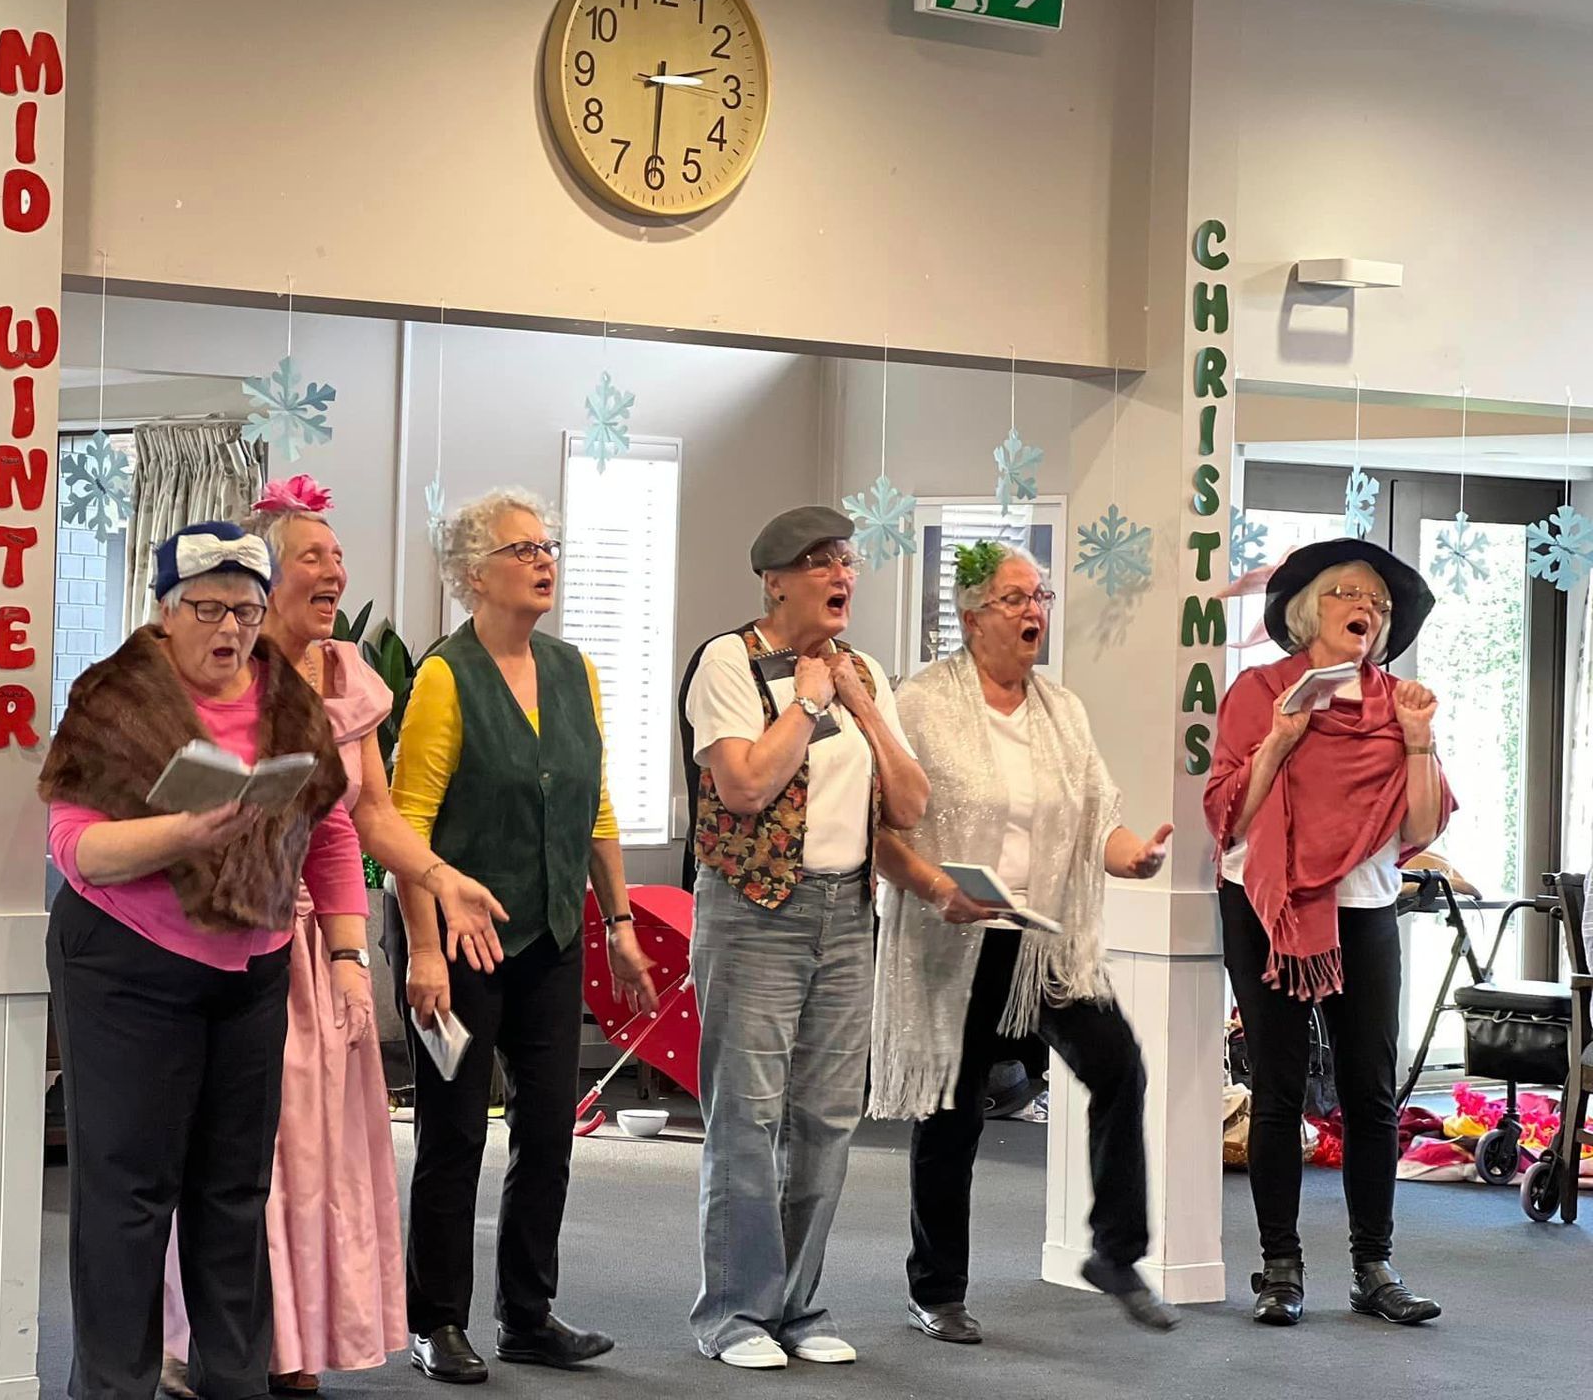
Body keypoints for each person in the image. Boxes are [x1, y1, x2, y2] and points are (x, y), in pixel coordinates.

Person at [157, 477, 509, 1396]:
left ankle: (295, 1340)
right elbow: (178, 806)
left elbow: (363, 819)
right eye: (313, 555)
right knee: (243, 1153)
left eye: (338, 557)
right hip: (222, 934)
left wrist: (424, 892)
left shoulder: (351, 676)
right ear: (262, 576)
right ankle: (205, 1340)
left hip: (318, 945)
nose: (335, 569)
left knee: (318, 1153)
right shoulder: (219, 674)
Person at [39, 520, 363, 1400]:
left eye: (248, 612)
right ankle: (111, 1389)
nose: (230, 630)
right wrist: (182, 832)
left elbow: (328, 828)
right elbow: (75, 849)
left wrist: (346, 951)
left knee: (233, 1193)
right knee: (130, 1197)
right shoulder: (114, 699)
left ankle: (234, 1384)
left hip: (250, 964)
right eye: (210, 609)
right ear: (165, 610)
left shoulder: (289, 699)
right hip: (125, 962)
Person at [870, 540, 1179, 1342]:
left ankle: (1115, 1252)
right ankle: (936, 1291)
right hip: (958, 935)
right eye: (1015, 599)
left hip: (1044, 939)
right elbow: (880, 828)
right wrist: (939, 889)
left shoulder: (1062, 710)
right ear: (972, 618)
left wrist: (1135, 858)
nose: (1034, 611)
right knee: (954, 1114)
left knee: (1118, 1067)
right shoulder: (924, 703)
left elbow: (1096, 822)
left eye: (1040, 596)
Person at [391, 487, 660, 1385]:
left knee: (549, 1131)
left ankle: (528, 1314)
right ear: (474, 574)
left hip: (549, 940)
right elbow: (409, 827)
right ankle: (436, 1320)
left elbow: (598, 806)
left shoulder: (573, 669)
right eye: (522, 548)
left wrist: (618, 921)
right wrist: (424, 951)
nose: (545, 559)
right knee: (454, 1132)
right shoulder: (442, 676)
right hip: (458, 947)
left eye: (549, 545)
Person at [680, 505, 929, 1369]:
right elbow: (745, 786)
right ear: (775, 580)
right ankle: (732, 1314)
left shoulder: (861, 672)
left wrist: (856, 697)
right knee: (745, 1118)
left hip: (847, 912)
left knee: (824, 1118)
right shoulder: (727, 661)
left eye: (847, 562)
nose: (841, 577)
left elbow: (910, 805)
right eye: (821, 563)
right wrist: (810, 706)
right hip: (754, 915)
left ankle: (795, 1306)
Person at [1204, 539, 1453, 1328]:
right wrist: (1281, 736)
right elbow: (1230, 815)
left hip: (1367, 904)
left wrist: (1419, 740)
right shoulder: (1260, 690)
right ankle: (1280, 1267)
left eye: (1378, 604)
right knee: (1279, 1092)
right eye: (1350, 594)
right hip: (1268, 906)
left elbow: (1418, 824)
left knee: (1371, 1095)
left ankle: (1373, 1267)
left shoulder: (1399, 702)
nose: (1366, 609)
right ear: (1312, 610)